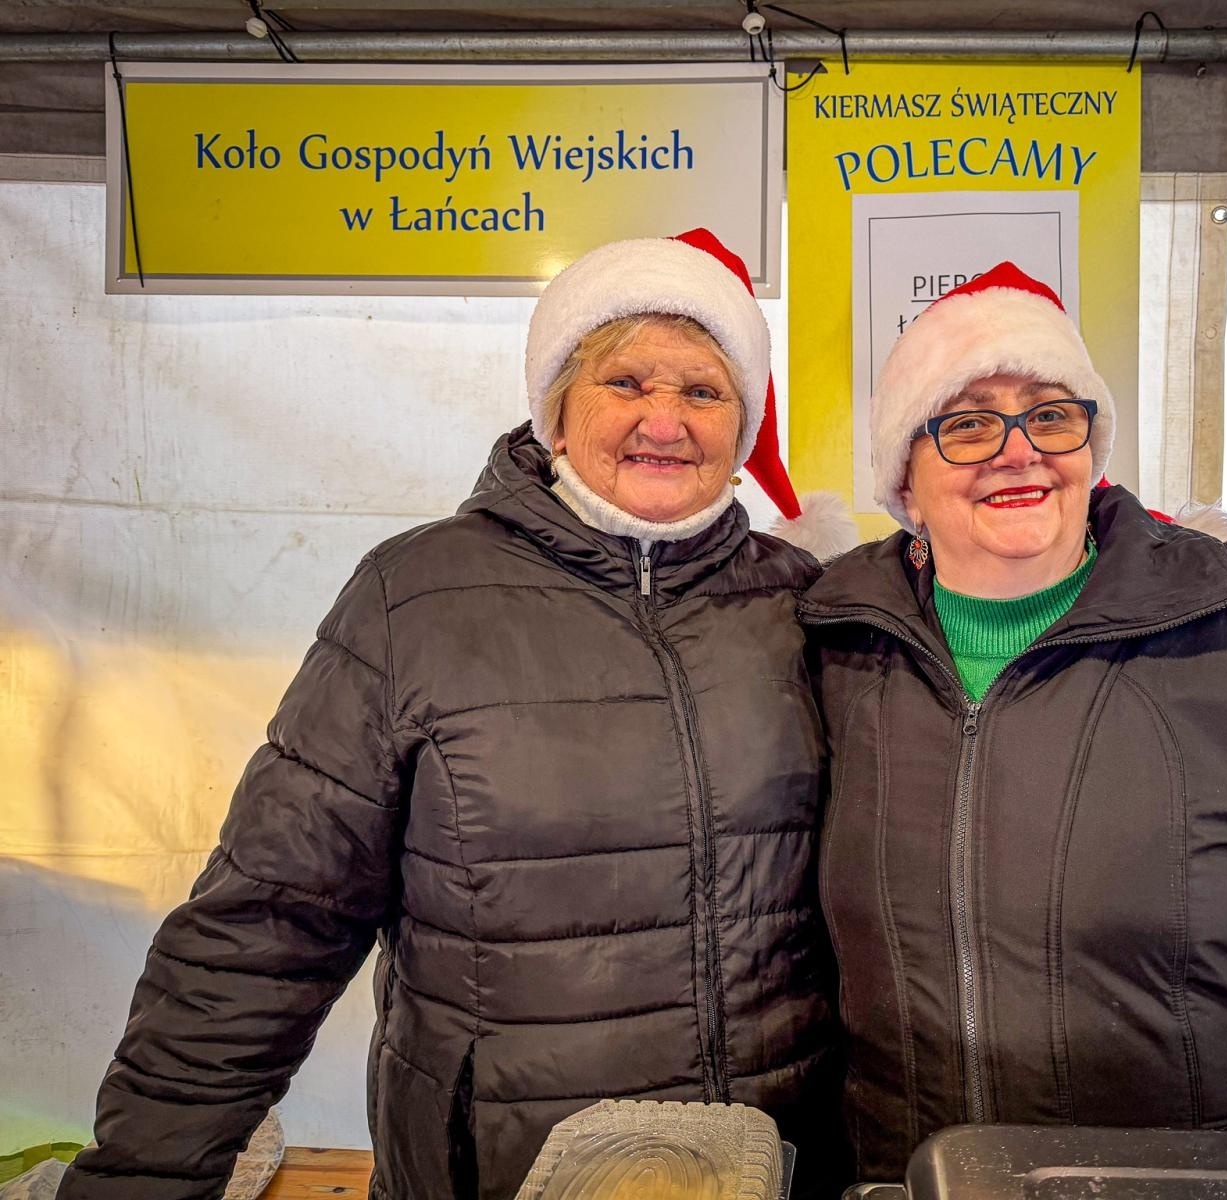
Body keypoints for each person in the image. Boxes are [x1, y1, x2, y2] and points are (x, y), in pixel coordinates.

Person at [59, 230, 855, 1200]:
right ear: (554, 412)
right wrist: (143, 1174)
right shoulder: (417, 598)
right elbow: (272, 922)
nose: (665, 418)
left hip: (765, 1164)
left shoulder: (803, 606)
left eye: (703, 390)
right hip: (503, 1171)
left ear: (741, 429)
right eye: (625, 382)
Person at [799, 263, 1227, 1179]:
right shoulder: (839, 659)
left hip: (1213, 1188)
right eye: (966, 424)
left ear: (1091, 448)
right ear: (905, 484)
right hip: (920, 1180)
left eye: (1051, 414)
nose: (1019, 450)